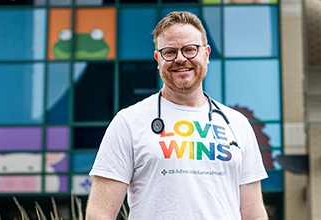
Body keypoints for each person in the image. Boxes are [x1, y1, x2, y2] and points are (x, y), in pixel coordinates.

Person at [85, 11, 269, 220]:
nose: (181, 59)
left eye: (190, 50)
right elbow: (99, 214)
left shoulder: (237, 124)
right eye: (170, 52)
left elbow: (254, 214)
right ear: (158, 59)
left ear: (206, 54)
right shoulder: (129, 122)